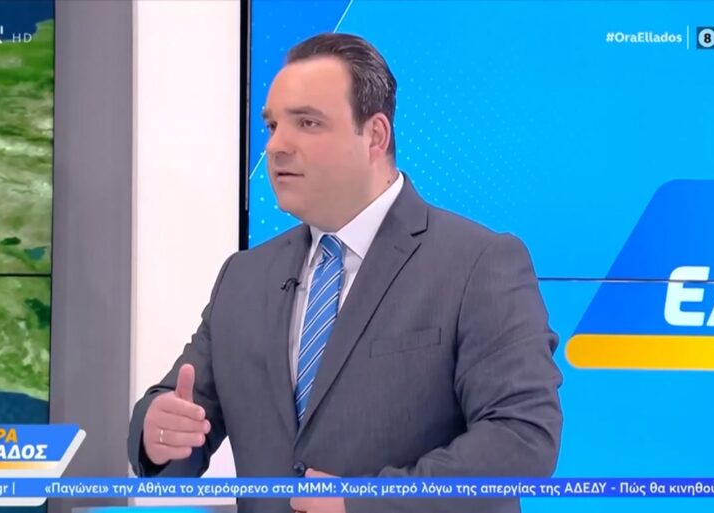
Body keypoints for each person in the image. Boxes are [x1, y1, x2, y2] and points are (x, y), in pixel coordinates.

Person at [128, 33, 563, 513]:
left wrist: (364, 501)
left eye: (307, 123)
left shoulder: (478, 263)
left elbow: (521, 439)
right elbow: (182, 416)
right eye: (272, 125)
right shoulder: (243, 277)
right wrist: (157, 431)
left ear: (375, 136)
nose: (276, 146)